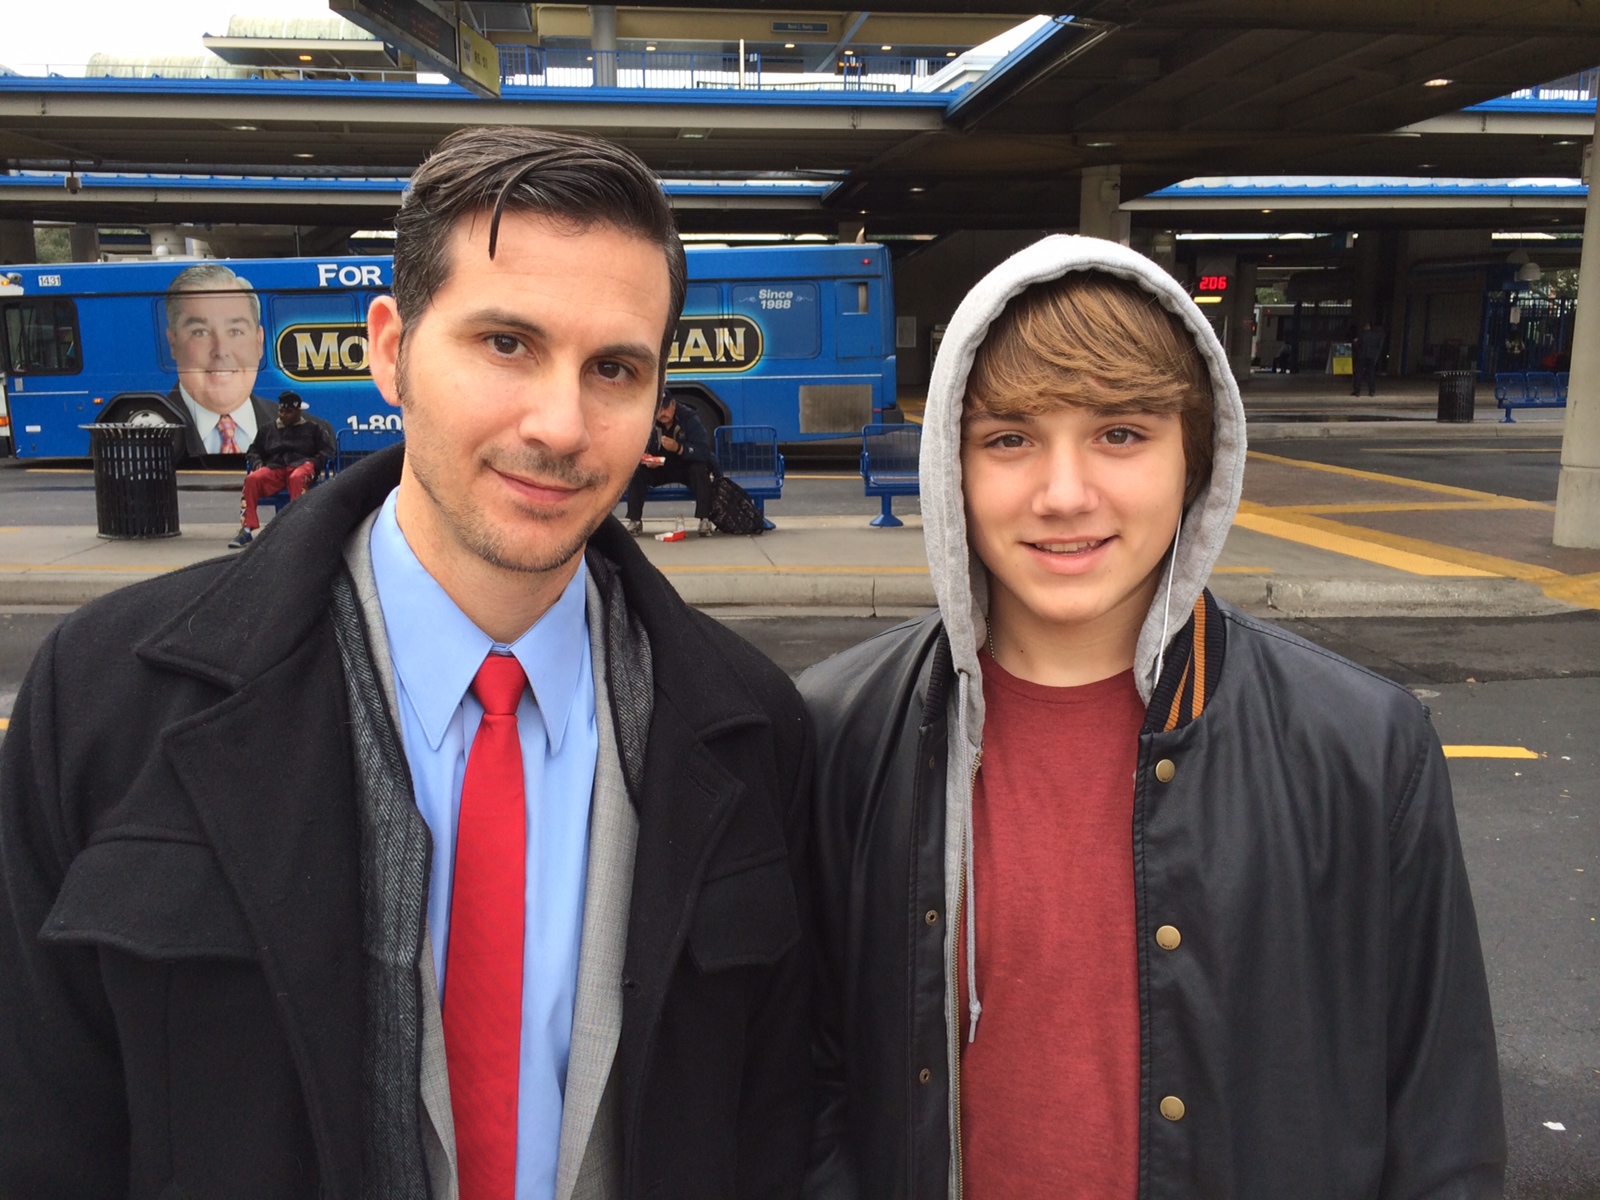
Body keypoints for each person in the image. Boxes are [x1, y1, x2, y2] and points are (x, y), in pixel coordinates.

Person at [1, 127, 814, 1199]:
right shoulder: (107, 699)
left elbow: (778, 1128)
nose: (561, 425)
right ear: (389, 349)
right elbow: (44, 1129)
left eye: (613, 367)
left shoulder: (752, 731)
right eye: (506, 344)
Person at [801, 238, 1503, 1198]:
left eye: (1121, 434)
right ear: (950, 468)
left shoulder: (1365, 746)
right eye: (1009, 437)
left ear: (1196, 460)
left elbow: (1440, 1122)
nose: (1063, 494)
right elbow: (805, 1084)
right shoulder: (839, 730)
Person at [163, 261, 276, 458]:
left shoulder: (314, 428)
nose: (221, 350)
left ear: (259, 342)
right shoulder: (145, 435)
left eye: (235, 331)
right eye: (200, 332)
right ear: (173, 344)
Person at [228, 390, 337, 548]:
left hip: (301, 466)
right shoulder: (268, 429)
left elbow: (328, 451)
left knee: (297, 477)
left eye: (289, 411)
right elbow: (253, 450)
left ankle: (295, 528)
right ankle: (246, 530)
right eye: (281, 410)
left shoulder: (313, 429)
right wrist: (257, 462)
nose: (283, 415)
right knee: (252, 479)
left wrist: (313, 463)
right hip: (276, 468)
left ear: (298, 412)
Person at [623, 392, 717, 537]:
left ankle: (705, 519)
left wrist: (679, 448)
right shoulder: (648, 419)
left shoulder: (689, 418)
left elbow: (704, 451)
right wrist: (646, 458)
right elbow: (633, 446)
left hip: (685, 465)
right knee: (637, 472)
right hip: (659, 466)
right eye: (658, 409)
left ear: (673, 405)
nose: (663, 413)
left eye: (666, 408)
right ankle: (635, 520)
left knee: (700, 470)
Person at [1353, 321, 1384, 397]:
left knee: (1358, 373)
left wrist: (1355, 342)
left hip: (1362, 356)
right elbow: (1378, 346)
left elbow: (1357, 345)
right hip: (1371, 357)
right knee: (1370, 373)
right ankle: (1372, 390)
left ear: (1365, 327)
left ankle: (1357, 391)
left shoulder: (1361, 335)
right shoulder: (1376, 336)